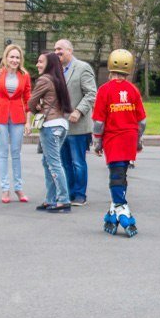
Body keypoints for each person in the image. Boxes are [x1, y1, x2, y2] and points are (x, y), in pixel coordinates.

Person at [92, 49, 146, 237]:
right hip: (129, 138)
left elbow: (99, 122)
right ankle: (112, 213)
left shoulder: (104, 90)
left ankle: (123, 210)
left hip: (113, 138)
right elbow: (142, 121)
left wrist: (97, 142)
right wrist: (138, 139)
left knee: (116, 174)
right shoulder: (133, 90)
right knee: (121, 174)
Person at [0, 44, 32, 203]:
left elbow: (28, 100)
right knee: (3, 153)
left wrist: (28, 122)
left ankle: (18, 188)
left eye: (17, 57)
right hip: (0, 117)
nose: (14, 60)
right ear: (6, 58)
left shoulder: (24, 75)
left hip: (18, 118)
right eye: (12, 57)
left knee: (16, 153)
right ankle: (5, 189)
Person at [54, 39, 97, 206]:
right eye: (55, 49)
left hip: (78, 126)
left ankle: (80, 195)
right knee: (64, 163)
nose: (57, 52)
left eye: (60, 49)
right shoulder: (56, 70)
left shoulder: (82, 68)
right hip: (60, 125)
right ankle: (68, 193)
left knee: (78, 162)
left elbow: (91, 93)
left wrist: (78, 111)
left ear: (70, 50)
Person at [28, 52, 73, 213]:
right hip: (61, 124)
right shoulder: (58, 80)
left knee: (53, 163)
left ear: (49, 64)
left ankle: (63, 200)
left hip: (50, 126)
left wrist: (36, 108)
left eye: (41, 62)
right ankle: (50, 199)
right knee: (48, 162)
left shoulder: (44, 80)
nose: (37, 65)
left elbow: (31, 102)